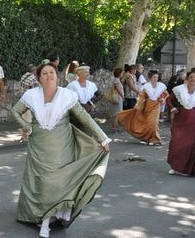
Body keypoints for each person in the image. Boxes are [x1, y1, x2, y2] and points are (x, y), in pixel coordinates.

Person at [12, 62, 110, 238]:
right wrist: (27, 126)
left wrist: (102, 137)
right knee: (41, 183)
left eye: (52, 72)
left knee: (59, 181)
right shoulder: (31, 95)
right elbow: (15, 111)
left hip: (62, 144)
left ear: (57, 76)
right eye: (44, 74)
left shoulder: (67, 95)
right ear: (39, 78)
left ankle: (48, 219)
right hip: (38, 145)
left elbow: (84, 117)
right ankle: (42, 214)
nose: (49, 76)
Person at [166, 69, 195, 176]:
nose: (193, 79)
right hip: (180, 121)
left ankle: (185, 168)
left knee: (190, 146)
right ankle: (174, 166)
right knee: (176, 143)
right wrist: (173, 108)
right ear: (187, 79)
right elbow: (168, 99)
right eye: (191, 77)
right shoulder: (179, 89)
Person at [116, 70, 168, 145]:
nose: (155, 78)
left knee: (154, 123)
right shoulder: (146, 86)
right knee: (148, 122)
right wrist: (138, 104)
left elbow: (166, 94)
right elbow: (142, 97)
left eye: (157, 77)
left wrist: (163, 99)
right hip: (148, 105)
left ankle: (155, 139)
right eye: (154, 77)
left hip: (156, 105)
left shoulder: (161, 85)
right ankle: (149, 138)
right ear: (150, 78)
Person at [18, 63, 38, 142]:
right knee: (29, 119)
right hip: (30, 102)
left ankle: (23, 136)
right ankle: (27, 137)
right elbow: (35, 92)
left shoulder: (24, 76)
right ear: (34, 71)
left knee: (24, 119)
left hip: (22, 100)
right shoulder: (33, 79)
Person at [107, 68, 124, 133]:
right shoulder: (116, 80)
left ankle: (115, 128)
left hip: (116, 98)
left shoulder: (116, 80)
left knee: (115, 114)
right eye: (122, 73)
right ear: (119, 73)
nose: (123, 74)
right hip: (117, 99)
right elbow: (119, 90)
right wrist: (123, 96)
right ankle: (115, 128)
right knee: (116, 114)